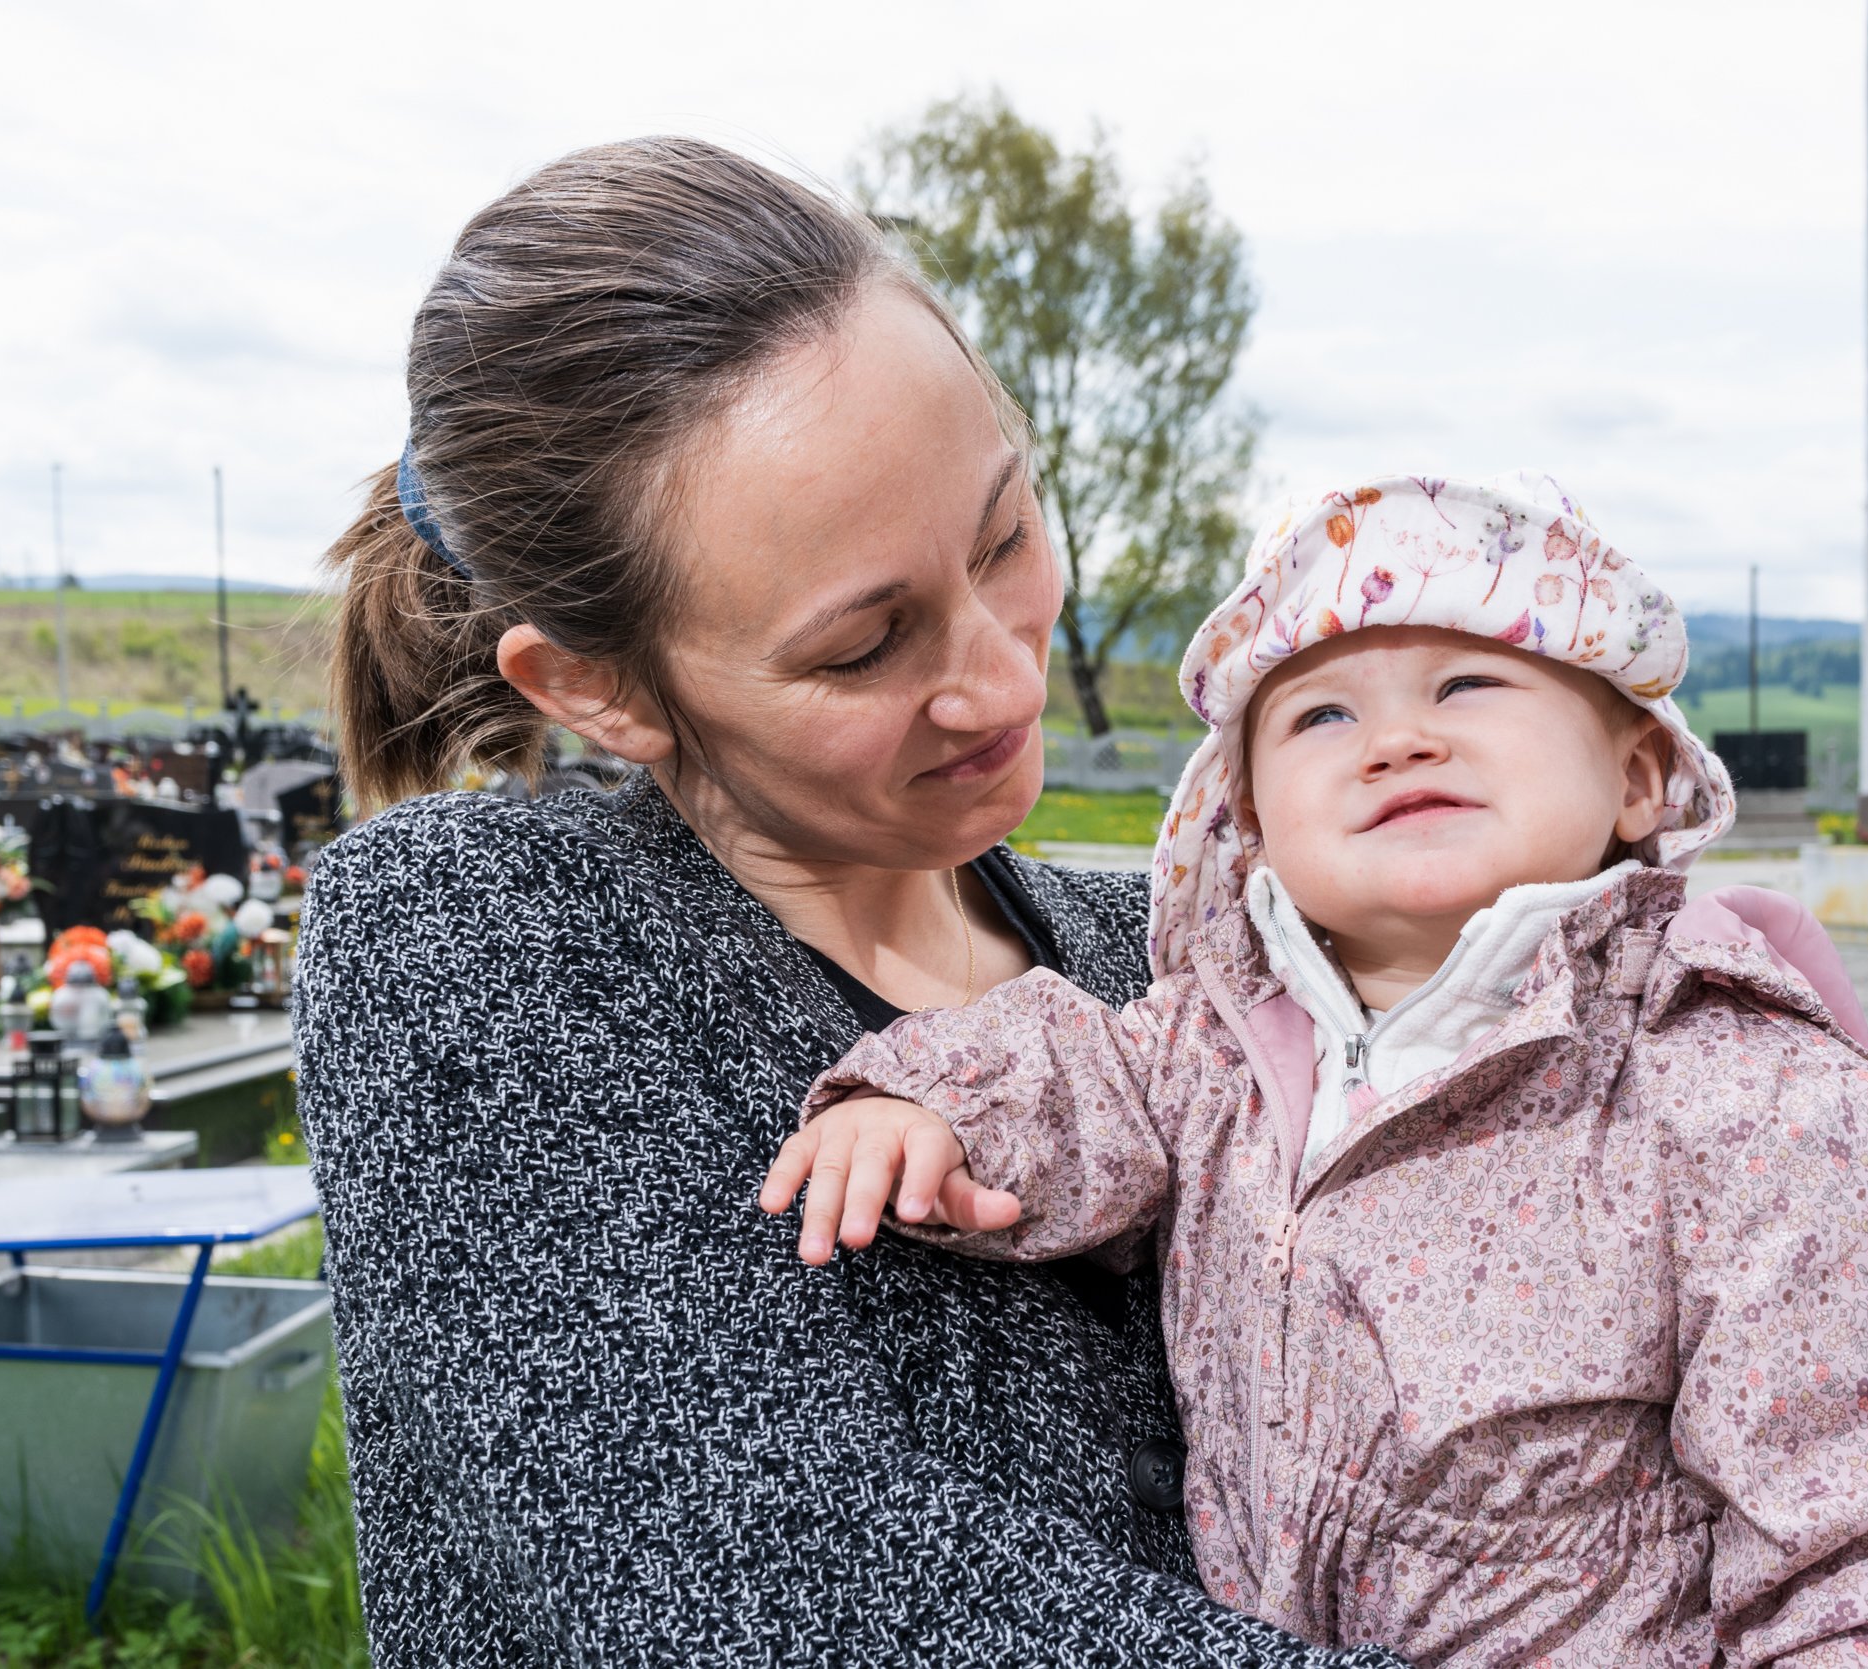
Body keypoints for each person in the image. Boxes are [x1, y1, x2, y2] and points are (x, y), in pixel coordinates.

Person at [293, 135, 1397, 1666]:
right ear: (599, 687)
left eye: (1006, 533)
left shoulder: (1144, 964)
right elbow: (749, 1588)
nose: (1005, 677)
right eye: (865, 645)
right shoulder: (479, 939)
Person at [766, 472, 1868, 1666]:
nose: (1394, 742)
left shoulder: (1749, 1104)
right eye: (1323, 713)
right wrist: (923, 1100)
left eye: (1468, 685)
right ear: (1252, 823)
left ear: (1638, 773)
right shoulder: (1217, 1042)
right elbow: (1068, 1061)